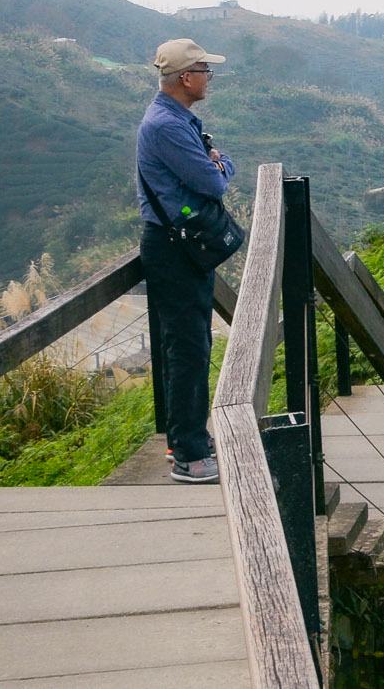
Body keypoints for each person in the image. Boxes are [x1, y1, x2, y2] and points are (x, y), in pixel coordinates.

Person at [137, 38, 234, 484]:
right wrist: (220, 167)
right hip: (174, 249)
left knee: (192, 344)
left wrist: (217, 164)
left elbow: (212, 169)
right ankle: (190, 457)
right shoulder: (168, 126)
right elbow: (213, 184)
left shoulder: (177, 119)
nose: (209, 77)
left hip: (179, 246)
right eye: (204, 70)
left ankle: (187, 437)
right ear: (185, 78)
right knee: (189, 348)